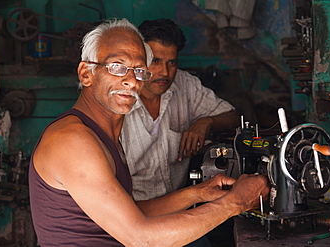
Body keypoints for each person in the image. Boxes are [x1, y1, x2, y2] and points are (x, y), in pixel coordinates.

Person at [29, 18, 270, 247]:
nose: (131, 81)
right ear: (86, 73)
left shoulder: (102, 133)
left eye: (139, 71)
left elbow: (130, 213)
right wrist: (235, 202)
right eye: (117, 67)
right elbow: (141, 238)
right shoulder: (73, 141)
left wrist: (197, 193)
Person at [121, 18, 239, 201]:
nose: (165, 72)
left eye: (172, 63)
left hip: (179, 205)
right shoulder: (119, 99)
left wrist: (206, 122)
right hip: (131, 210)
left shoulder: (185, 85)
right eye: (156, 61)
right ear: (138, 60)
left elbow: (233, 116)